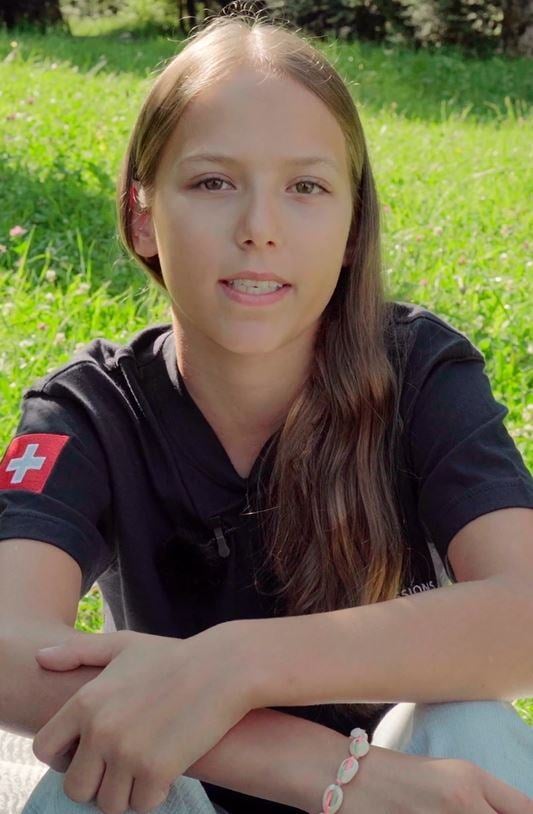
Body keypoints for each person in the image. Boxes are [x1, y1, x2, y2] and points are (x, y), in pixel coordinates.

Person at [1, 6, 533, 814]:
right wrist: (332, 775)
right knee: (97, 782)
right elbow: (8, 648)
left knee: (469, 729)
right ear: (144, 215)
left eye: (306, 187)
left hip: (414, 794)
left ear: (353, 223)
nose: (259, 229)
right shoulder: (89, 409)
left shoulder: (421, 370)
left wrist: (240, 662)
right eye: (213, 182)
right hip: (215, 797)